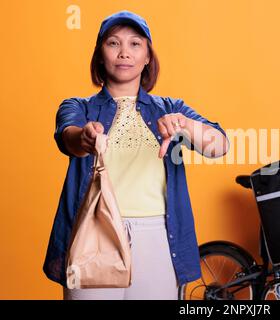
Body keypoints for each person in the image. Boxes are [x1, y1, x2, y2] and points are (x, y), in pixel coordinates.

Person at [43, 10, 229, 300]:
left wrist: (185, 124)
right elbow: (68, 138)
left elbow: (219, 145)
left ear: (147, 58)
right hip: (94, 233)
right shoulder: (79, 107)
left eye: (135, 44)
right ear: (100, 56)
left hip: (158, 236)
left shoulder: (170, 108)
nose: (124, 53)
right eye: (113, 43)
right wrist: (85, 136)